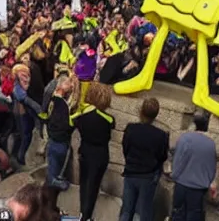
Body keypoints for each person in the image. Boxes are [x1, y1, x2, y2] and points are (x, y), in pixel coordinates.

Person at [119, 97, 169, 221]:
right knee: (144, 212)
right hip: (148, 175)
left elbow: (125, 147)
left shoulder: (131, 128)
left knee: (126, 210)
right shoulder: (161, 135)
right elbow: (162, 156)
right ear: (156, 114)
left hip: (131, 172)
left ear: (141, 110)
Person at [72, 82, 115, 221]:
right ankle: (87, 216)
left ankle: (82, 213)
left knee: (84, 184)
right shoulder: (108, 119)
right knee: (94, 185)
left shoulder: (82, 116)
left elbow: (74, 122)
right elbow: (112, 123)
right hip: (100, 155)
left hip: (85, 152)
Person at [170, 112, 217, 221]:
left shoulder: (185, 138)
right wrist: (208, 183)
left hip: (182, 184)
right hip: (199, 189)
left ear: (194, 124)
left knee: (178, 214)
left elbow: (178, 161)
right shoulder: (211, 144)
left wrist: (174, 175)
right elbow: (212, 168)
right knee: (195, 216)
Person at [46, 75, 75, 192]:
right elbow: (64, 124)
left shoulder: (52, 100)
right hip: (60, 140)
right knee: (60, 163)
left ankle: (52, 179)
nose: (71, 86)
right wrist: (71, 127)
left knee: (52, 163)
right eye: (68, 84)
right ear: (61, 87)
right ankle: (55, 182)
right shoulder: (62, 105)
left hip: (52, 137)